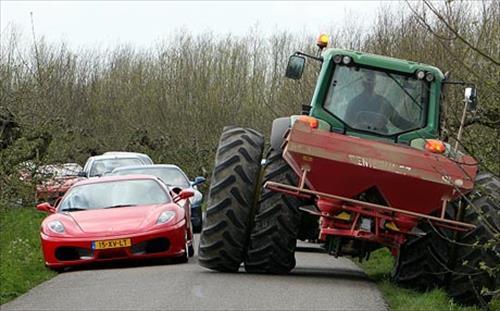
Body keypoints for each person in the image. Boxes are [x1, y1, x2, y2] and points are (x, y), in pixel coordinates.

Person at [344, 71, 414, 132]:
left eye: (371, 84)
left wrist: (415, 128)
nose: (369, 86)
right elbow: (347, 124)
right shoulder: (354, 103)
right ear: (363, 84)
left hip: (380, 138)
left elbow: (398, 121)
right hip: (359, 137)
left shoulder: (383, 103)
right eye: (367, 84)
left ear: (375, 84)